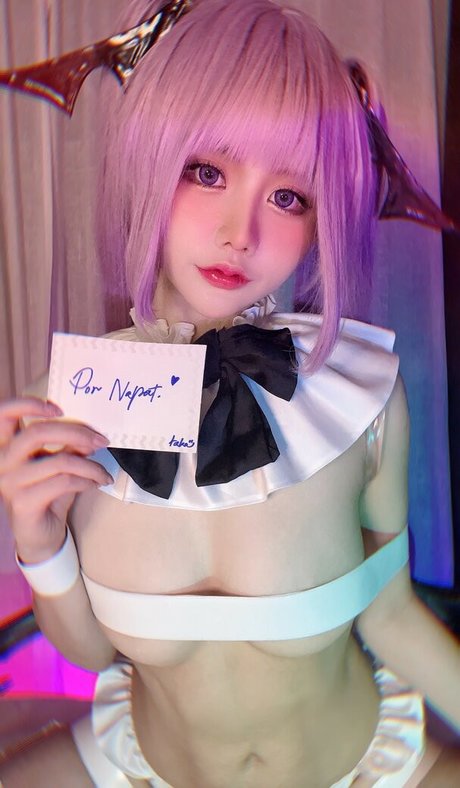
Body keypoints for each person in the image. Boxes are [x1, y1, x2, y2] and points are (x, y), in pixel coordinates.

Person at [0, 0, 459, 785]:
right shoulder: (67, 406)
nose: (239, 233)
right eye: (206, 172)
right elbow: (92, 650)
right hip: (137, 764)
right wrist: (39, 546)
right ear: (149, 160)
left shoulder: (361, 397)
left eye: (290, 197)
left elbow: (390, 615)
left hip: (365, 765)